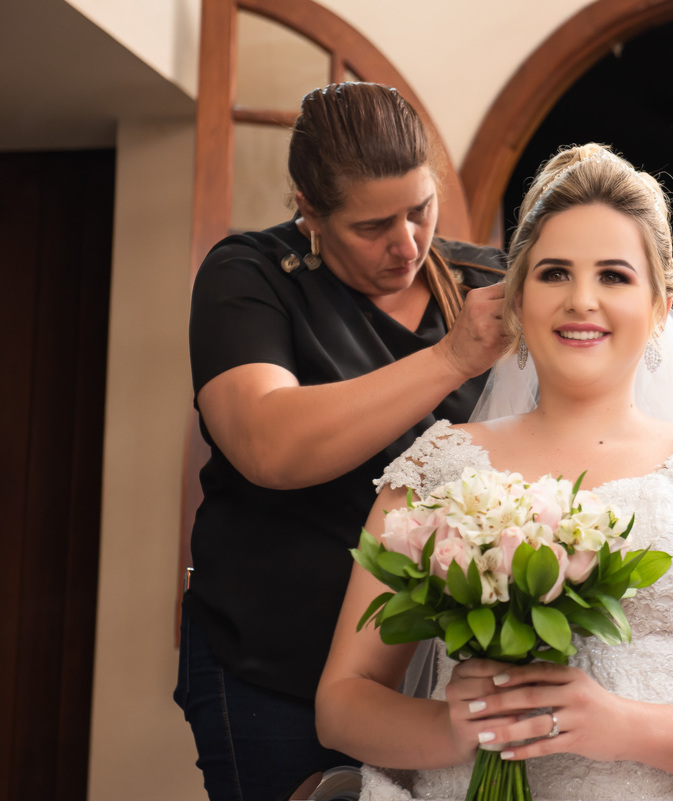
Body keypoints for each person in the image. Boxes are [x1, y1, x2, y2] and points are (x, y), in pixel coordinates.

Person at [317, 143, 673, 800]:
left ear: (661, 304)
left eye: (614, 275)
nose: (581, 300)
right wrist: (458, 727)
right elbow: (343, 703)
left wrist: (621, 725)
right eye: (552, 273)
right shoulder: (437, 467)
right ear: (516, 297)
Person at [176, 82, 508, 801]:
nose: (407, 244)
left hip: (447, 678)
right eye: (372, 226)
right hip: (275, 665)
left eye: (421, 209)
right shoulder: (250, 276)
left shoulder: (487, 286)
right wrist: (451, 359)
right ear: (308, 209)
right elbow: (269, 445)